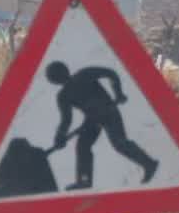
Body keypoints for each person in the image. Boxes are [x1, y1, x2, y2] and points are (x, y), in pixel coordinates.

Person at [45, 60, 158, 191]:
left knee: (119, 143)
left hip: (109, 112)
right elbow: (66, 120)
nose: (60, 79)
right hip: (91, 120)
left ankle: (149, 163)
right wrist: (60, 136)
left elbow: (111, 74)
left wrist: (118, 93)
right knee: (83, 146)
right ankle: (84, 182)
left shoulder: (84, 75)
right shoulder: (63, 95)